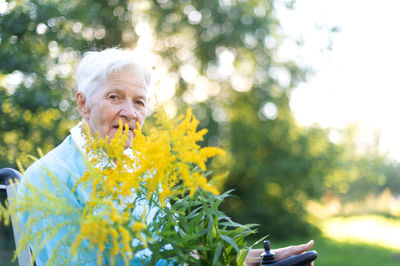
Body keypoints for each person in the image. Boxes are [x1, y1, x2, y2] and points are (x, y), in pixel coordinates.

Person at [17, 48, 314, 265]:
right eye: (114, 97)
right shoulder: (50, 178)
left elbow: (175, 254)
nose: (130, 113)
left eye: (139, 102)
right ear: (83, 104)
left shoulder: (144, 170)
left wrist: (245, 260)